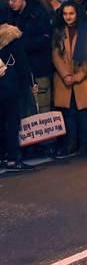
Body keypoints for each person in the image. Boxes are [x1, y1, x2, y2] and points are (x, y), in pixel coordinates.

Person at [51, 1, 87, 155]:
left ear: (77, 14)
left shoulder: (86, 31)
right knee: (69, 113)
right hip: (64, 78)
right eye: (65, 14)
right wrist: (66, 75)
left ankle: (84, 144)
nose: (68, 17)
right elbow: (55, 55)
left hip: (83, 78)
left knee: (83, 113)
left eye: (71, 13)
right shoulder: (58, 31)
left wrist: (79, 75)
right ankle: (71, 144)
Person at [0, 23, 33, 171]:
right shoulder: (14, 39)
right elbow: (22, 64)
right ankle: (13, 159)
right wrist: (29, 83)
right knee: (12, 123)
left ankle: (2, 157)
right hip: (11, 86)